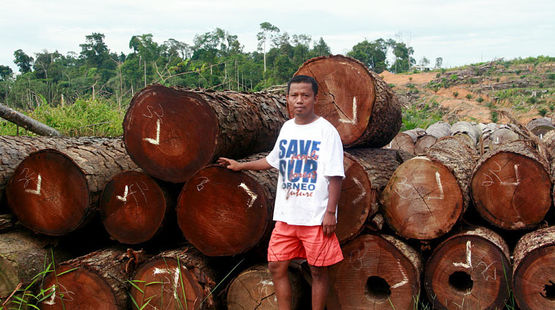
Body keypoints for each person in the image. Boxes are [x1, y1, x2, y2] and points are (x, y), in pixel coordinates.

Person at [218, 75, 344, 310]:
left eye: (305, 95)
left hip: (315, 216)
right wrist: (241, 165)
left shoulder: (326, 132)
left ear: (315, 98)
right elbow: (271, 160)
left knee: (317, 270)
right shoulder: (287, 128)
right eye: (294, 95)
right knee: (276, 265)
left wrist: (330, 212)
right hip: (286, 215)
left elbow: (335, 175)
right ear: (287, 99)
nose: (299, 100)